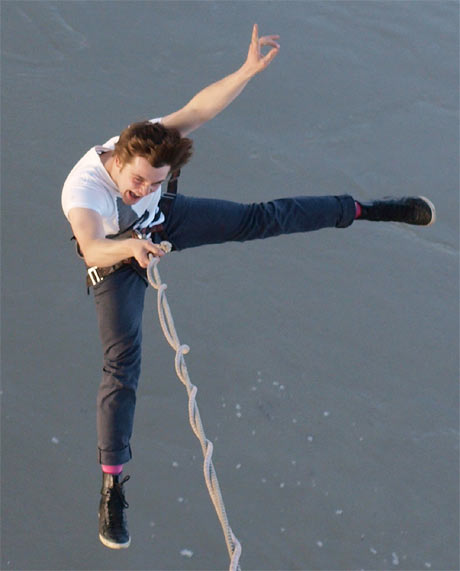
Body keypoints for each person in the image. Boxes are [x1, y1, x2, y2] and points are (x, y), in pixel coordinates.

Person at [61, 24, 436, 550]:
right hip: (115, 256)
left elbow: (200, 109)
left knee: (263, 217)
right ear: (119, 158)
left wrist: (245, 71)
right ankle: (111, 486)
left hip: (160, 226)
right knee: (122, 363)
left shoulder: (149, 147)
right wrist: (131, 248)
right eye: (137, 179)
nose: (140, 187)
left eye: (151, 180)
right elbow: (94, 247)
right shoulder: (85, 189)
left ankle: (364, 209)